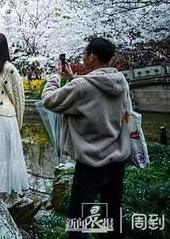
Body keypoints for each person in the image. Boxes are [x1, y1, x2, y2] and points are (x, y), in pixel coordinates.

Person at [41, 37, 130, 239]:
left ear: (92, 56)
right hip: (116, 158)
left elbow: (49, 100)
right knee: (111, 213)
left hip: (91, 160)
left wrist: (55, 77)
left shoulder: (82, 86)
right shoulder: (120, 81)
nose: (82, 58)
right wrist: (74, 79)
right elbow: (93, 98)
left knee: (79, 217)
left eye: (84, 54)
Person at [0, 32, 29, 208]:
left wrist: (18, 124)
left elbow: (19, 99)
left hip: (4, 119)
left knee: (7, 156)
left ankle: (14, 195)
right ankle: (1, 191)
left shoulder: (9, 69)